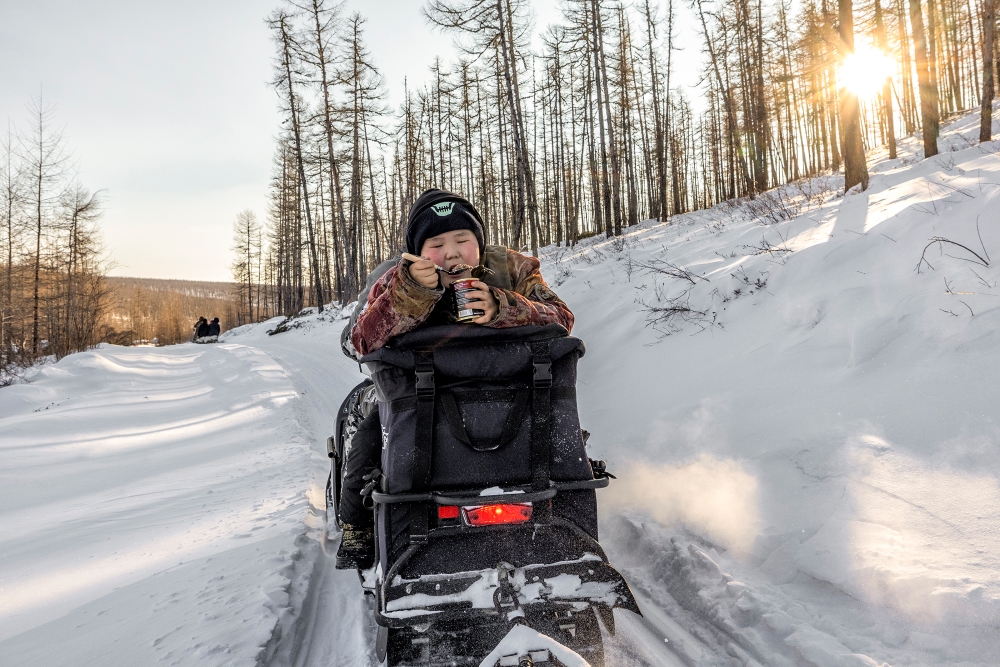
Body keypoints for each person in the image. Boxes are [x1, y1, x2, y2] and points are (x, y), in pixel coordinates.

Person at [336, 188, 573, 569]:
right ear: (417, 250)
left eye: (463, 240)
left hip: (511, 395)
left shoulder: (512, 268)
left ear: (478, 243)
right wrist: (412, 293)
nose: (452, 252)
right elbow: (359, 340)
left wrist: (503, 306)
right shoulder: (393, 278)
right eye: (437, 243)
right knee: (367, 442)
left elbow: (561, 317)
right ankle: (356, 529)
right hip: (420, 399)